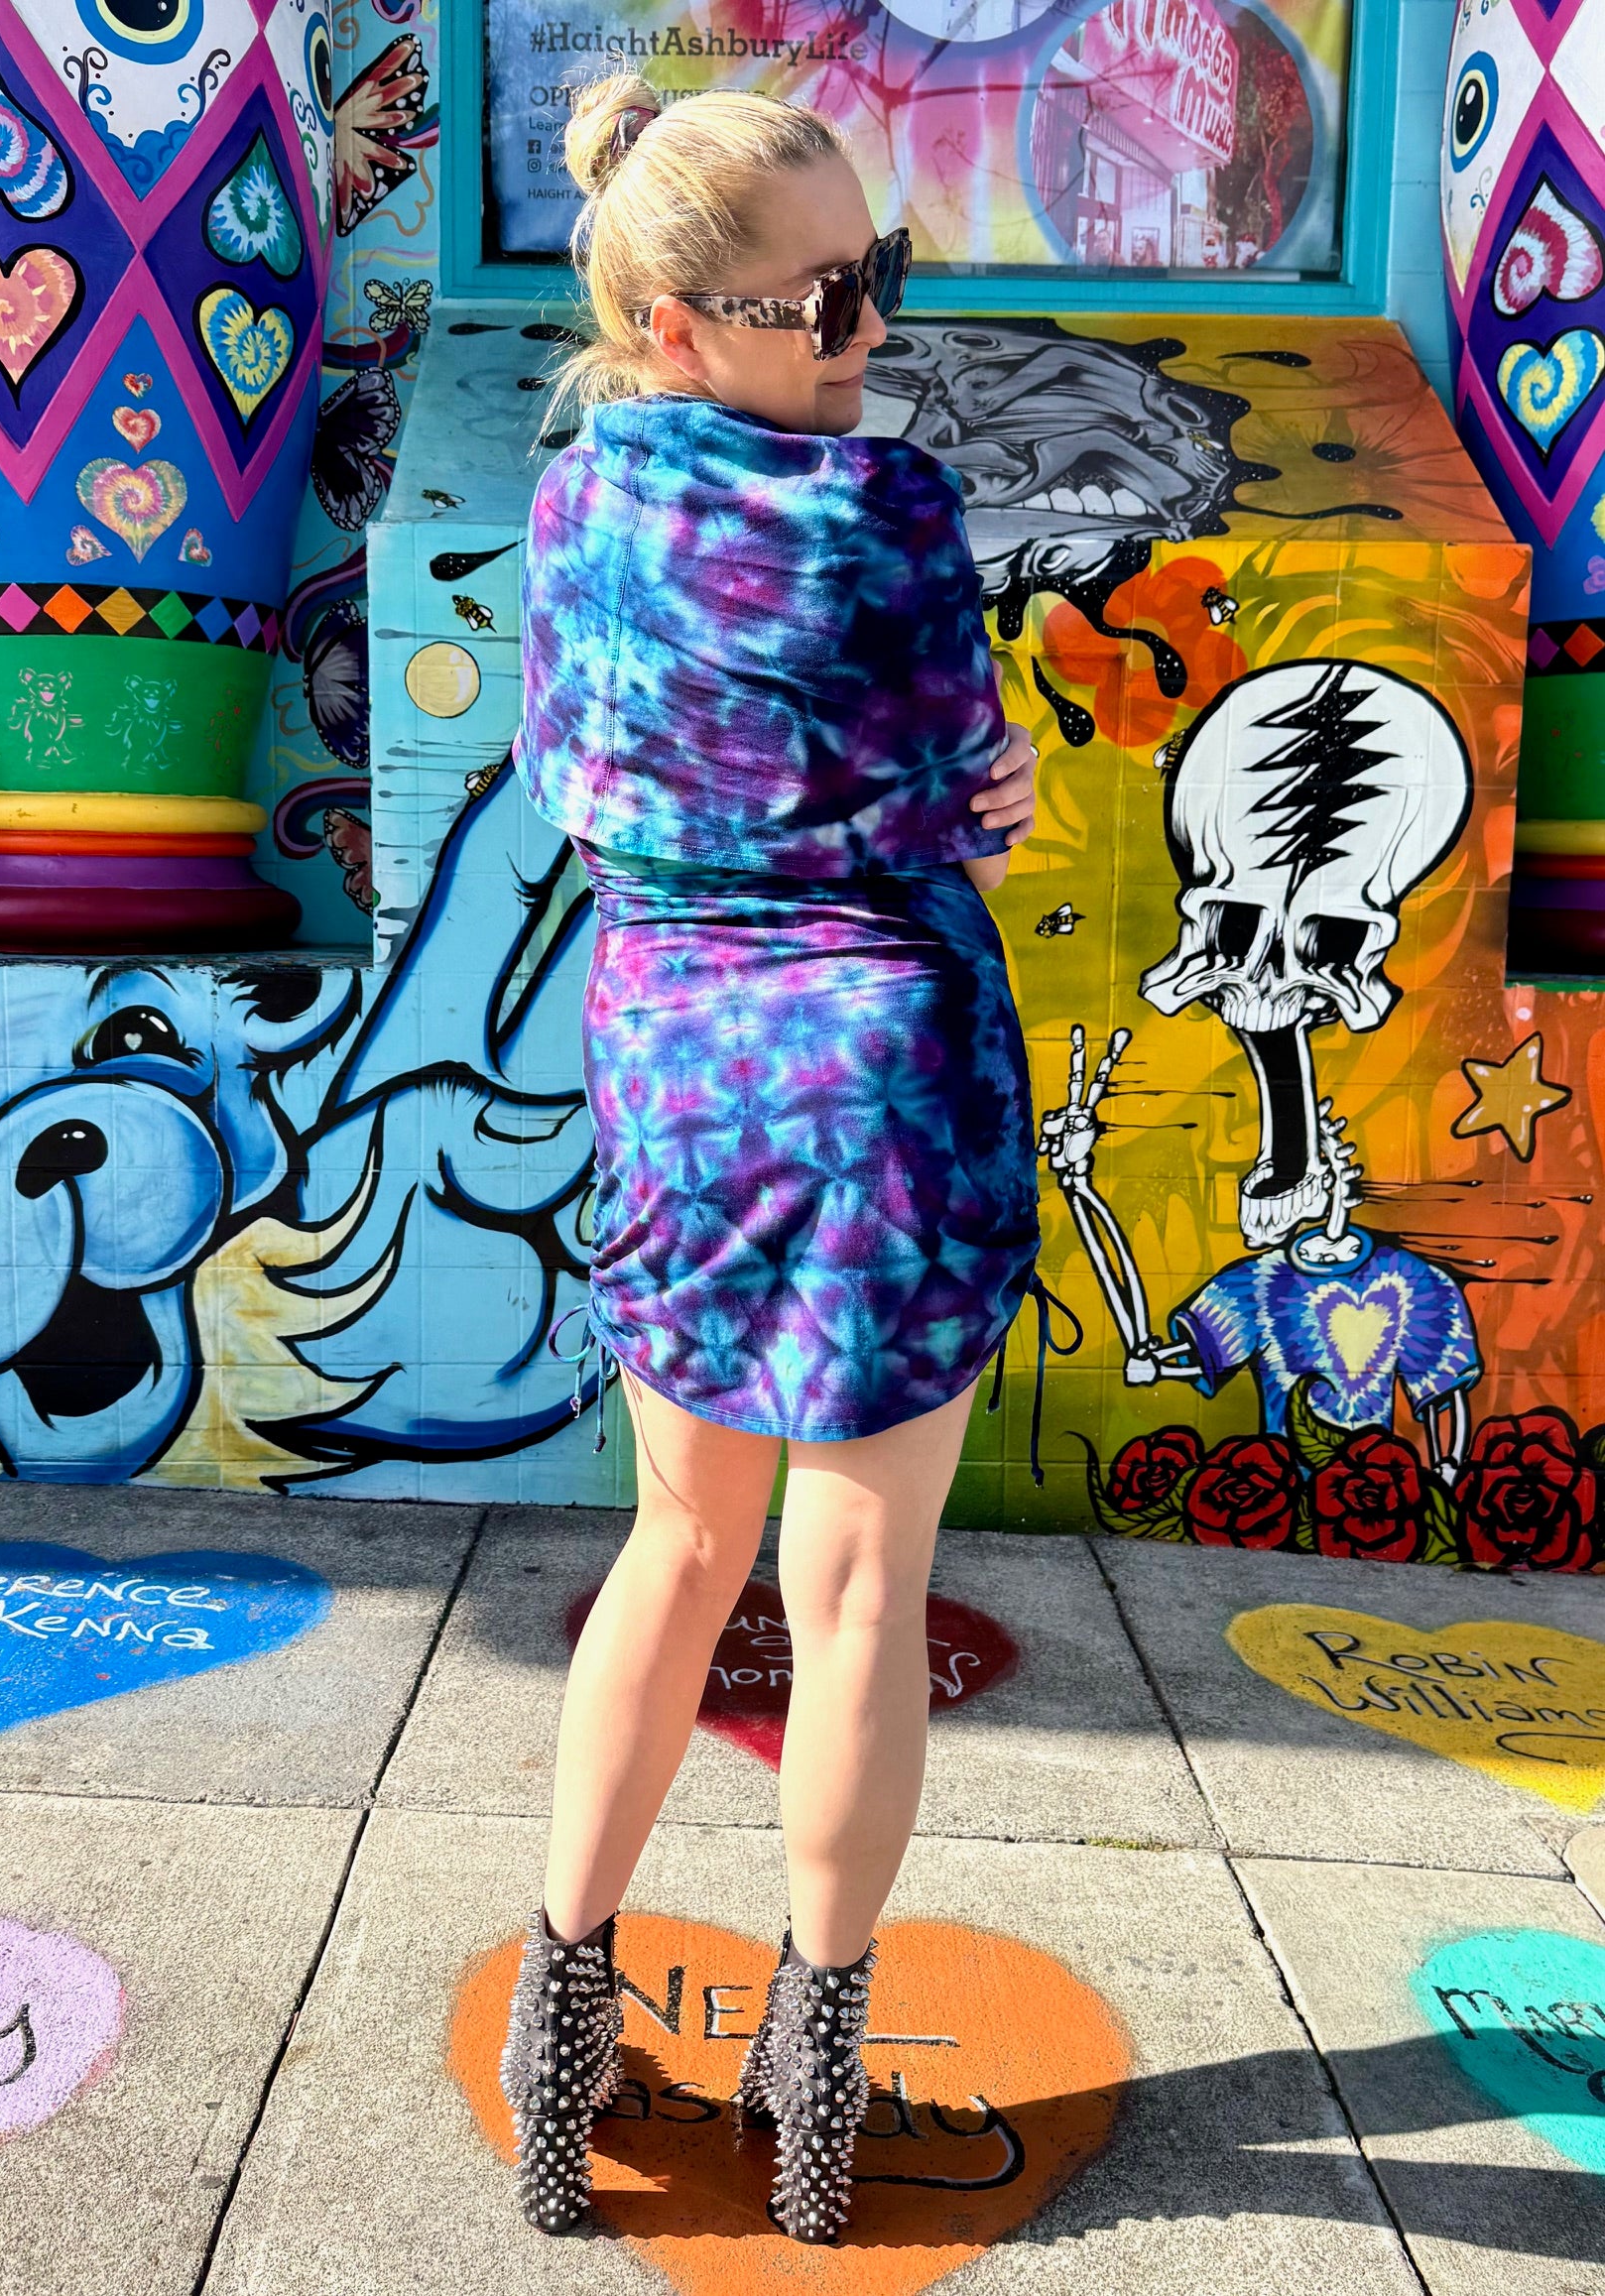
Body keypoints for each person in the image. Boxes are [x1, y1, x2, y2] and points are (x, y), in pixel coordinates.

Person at [498, 72, 1045, 2246]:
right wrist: (984, 784)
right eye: (822, 299)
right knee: (856, 1595)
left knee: (677, 1548)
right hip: (888, 1076)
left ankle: (563, 2042)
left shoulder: (575, 506)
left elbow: (570, 781)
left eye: (875, 275)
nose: (867, 328)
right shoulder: (890, 512)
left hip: (682, 1071)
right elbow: (960, 788)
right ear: (674, 323)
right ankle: (817, 2101)